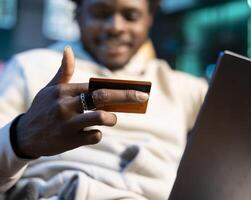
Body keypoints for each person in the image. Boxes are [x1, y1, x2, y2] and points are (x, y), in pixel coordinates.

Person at [0, 0, 208, 199]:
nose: (115, 27)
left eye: (131, 16)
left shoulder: (186, 89)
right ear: (78, 14)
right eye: (100, 14)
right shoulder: (30, 67)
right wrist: (20, 138)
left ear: (149, 18)